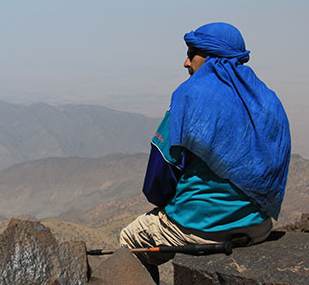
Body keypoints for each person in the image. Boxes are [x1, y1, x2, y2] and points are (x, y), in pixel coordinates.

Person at [119, 22, 291, 283]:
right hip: (259, 226)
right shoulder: (268, 100)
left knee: (128, 242)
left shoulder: (190, 96)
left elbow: (158, 180)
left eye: (191, 54)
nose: (185, 63)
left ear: (211, 58)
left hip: (200, 229)